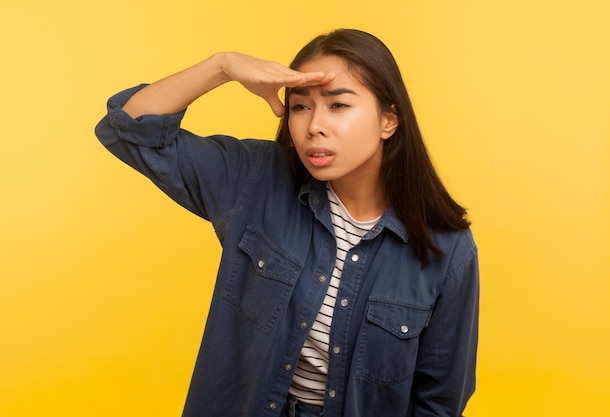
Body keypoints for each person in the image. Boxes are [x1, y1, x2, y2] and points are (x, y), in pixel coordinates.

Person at [95, 28, 479, 417]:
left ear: (388, 122)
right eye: (300, 107)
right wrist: (222, 66)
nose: (314, 126)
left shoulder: (447, 247)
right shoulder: (256, 178)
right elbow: (127, 130)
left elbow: (439, 403)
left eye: (338, 106)